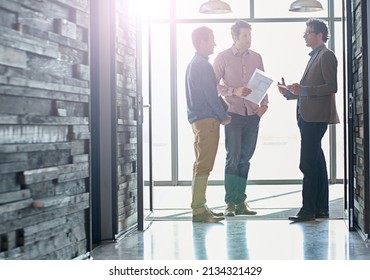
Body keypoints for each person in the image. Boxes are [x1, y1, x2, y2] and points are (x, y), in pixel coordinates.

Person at [277, 18, 339, 222]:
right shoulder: (316, 56)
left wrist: (302, 90)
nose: (305, 36)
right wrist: (290, 93)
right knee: (317, 163)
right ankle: (321, 208)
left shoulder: (326, 55)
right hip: (307, 117)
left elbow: (331, 87)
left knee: (307, 163)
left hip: (315, 118)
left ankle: (308, 210)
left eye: (308, 32)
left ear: (319, 35)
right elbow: (309, 90)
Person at [213, 20, 268, 217]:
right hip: (233, 114)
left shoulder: (257, 57)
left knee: (245, 159)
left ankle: (241, 202)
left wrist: (265, 105)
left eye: (250, 35)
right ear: (235, 37)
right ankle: (230, 203)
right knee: (233, 158)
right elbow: (213, 86)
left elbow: (263, 83)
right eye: (245, 35)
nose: (248, 39)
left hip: (253, 114)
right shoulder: (223, 57)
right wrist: (233, 91)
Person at [185, 26, 232, 223]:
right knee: (204, 166)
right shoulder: (203, 66)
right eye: (212, 39)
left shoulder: (194, 63)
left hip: (198, 120)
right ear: (202, 42)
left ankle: (201, 206)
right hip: (207, 121)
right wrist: (223, 116)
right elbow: (211, 96)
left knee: (200, 165)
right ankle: (198, 209)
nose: (214, 43)